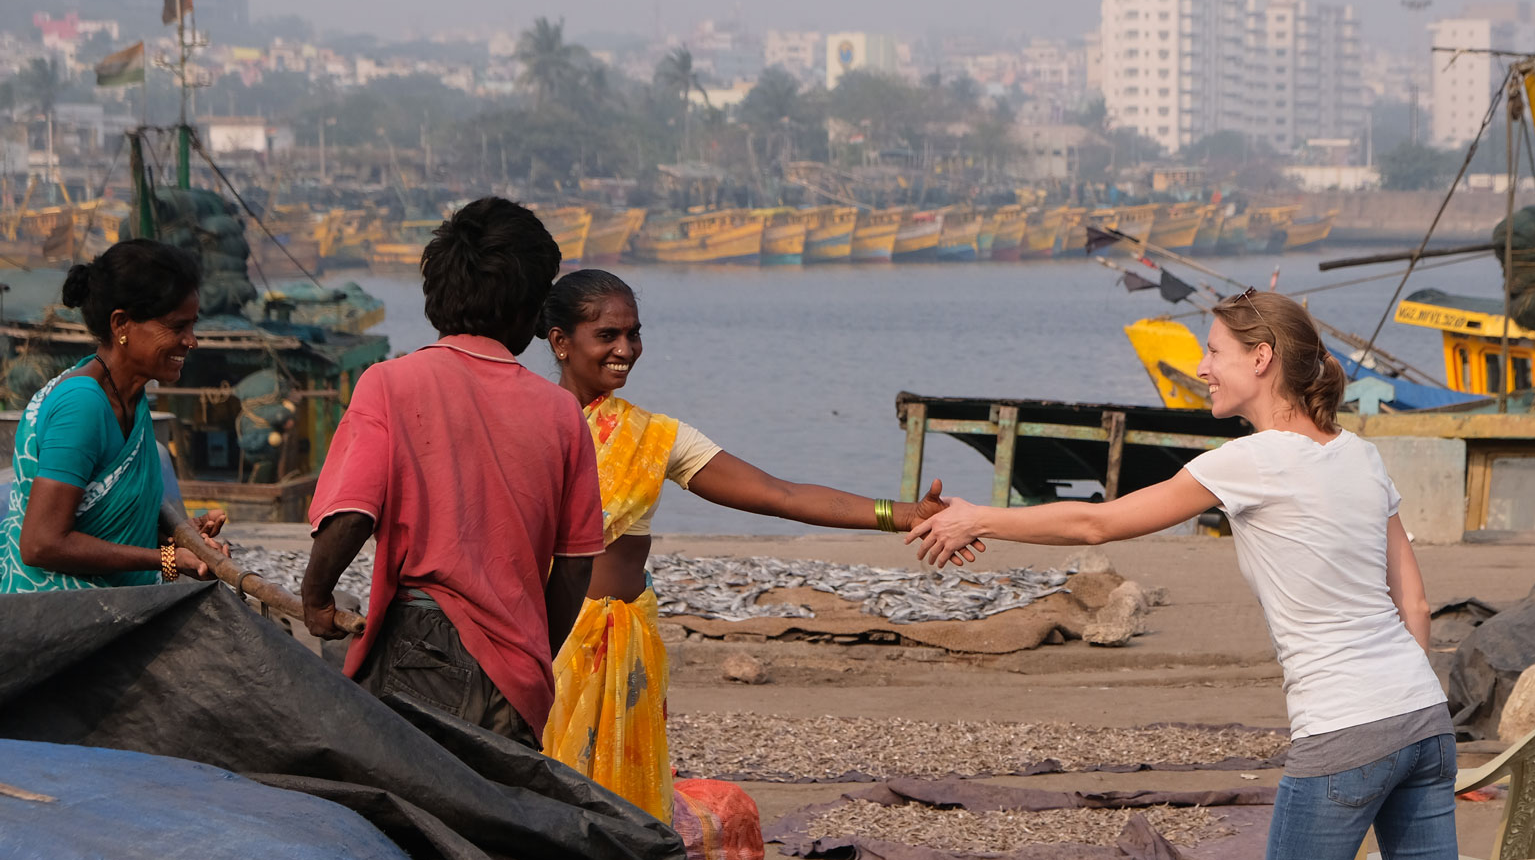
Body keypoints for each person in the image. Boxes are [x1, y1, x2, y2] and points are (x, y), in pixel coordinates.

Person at [907, 289, 1471, 860]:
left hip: (1345, 730)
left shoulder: (1251, 462)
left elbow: (1098, 523)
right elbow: (1416, 604)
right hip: (1424, 720)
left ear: (1261, 359)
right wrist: (1404, 698)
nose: (1203, 367)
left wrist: (981, 517)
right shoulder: (1360, 454)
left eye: (1214, 352)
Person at [538, 269, 960, 821]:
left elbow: (778, 494)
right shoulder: (526, 423)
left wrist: (900, 514)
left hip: (625, 646)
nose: (625, 350)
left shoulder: (656, 436)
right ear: (561, 341)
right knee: (544, 789)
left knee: (620, 809)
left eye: (634, 334)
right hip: (546, 640)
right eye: (607, 336)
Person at [301, 198, 607, 748]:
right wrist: (533, 648)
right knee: (493, 822)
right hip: (517, 673)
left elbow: (350, 515)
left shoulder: (390, 383)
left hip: (419, 648)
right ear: (529, 308)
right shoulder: (562, 413)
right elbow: (576, 566)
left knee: (403, 815)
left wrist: (317, 598)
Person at [1, 240, 226, 593]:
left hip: (117, 610)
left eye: (192, 326)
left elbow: (107, 524)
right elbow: (41, 544)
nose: (191, 341)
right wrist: (166, 559)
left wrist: (186, 541)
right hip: (59, 622)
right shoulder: (83, 406)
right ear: (121, 324)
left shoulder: (131, 400)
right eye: (177, 327)